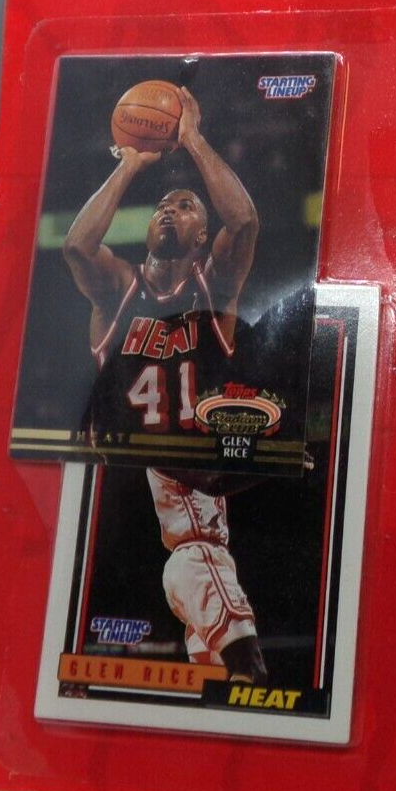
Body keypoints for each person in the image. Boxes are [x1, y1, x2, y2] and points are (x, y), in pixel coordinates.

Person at [63, 86, 267, 684]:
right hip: (118, 508)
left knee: (228, 680)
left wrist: (192, 139)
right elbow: (77, 246)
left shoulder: (214, 288)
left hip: (187, 522)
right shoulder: (118, 288)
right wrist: (129, 165)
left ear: (203, 234)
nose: (171, 211)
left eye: (186, 205)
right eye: (163, 206)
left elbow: (244, 221)